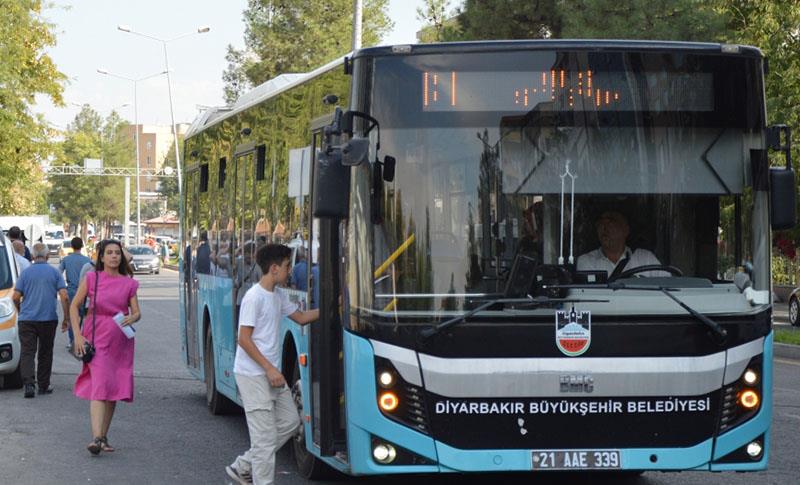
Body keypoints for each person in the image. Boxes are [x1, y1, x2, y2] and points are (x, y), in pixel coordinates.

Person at [226, 244, 319, 485]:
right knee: (264, 439)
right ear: (274, 268)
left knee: (290, 421)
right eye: (288, 266)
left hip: (270, 376)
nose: (291, 271)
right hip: (254, 375)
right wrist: (269, 369)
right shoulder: (253, 297)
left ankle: (244, 465)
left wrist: (333, 307)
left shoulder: (278, 295)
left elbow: (301, 318)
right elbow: (243, 339)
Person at [71, 239, 141, 455]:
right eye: (109, 253)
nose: (114, 256)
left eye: (117, 253)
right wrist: (78, 336)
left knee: (113, 387)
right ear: (101, 257)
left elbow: (137, 312)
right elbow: (74, 306)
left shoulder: (129, 283)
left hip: (120, 340)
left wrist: (134, 317)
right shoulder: (92, 278)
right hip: (97, 337)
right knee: (100, 385)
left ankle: (103, 436)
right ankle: (96, 437)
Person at [11, 243, 70, 398]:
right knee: (45, 352)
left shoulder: (25, 273)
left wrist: (20, 310)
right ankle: (44, 385)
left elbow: (16, 296)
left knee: (27, 352)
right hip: (48, 319)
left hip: (27, 319)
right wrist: (66, 318)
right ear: (48, 256)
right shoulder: (54, 272)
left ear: (32, 256)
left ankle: (29, 385)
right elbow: (64, 296)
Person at [576, 210, 664, 277]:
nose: (604, 228)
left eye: (611, 223)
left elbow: (668, 287)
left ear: (626, 230)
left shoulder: (646, 259)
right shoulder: (587, 261)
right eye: (600, 224)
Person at [59, 237, 91, 350]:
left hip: (72, 291)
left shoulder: (66, 259)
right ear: (82, 246)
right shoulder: (87, 260)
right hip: (85, 292)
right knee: (86, 317)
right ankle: (85, 338)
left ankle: (73, 340)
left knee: (73, 316)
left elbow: (59, 273)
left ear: (72, 246)